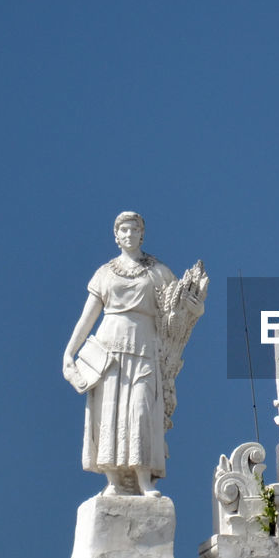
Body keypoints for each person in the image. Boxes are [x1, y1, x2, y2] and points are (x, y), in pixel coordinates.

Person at [63, 212, 175, 497]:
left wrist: (195, 305)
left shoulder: (157, 271)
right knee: (109, 413)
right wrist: (70, 351)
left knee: (141, 411)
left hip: (144, 348)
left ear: (142, 234)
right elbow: (87, 317)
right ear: (116, 236)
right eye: (123, 230)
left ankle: (143, 479)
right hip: (109, 349)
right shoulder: (105, 273)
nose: (128, 235)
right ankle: (113, 481)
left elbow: (179, 309)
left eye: (133, 229)